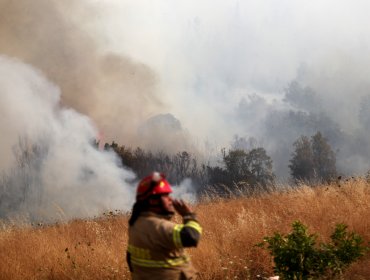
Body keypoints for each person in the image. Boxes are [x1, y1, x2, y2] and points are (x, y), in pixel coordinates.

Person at [127, 172, 202, 280]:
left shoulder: (136, 224)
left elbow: (129, 258)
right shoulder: (159, 227)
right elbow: (192, 237)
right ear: (153, 201)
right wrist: (188, 216)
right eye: (165, 196)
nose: (170, 200)